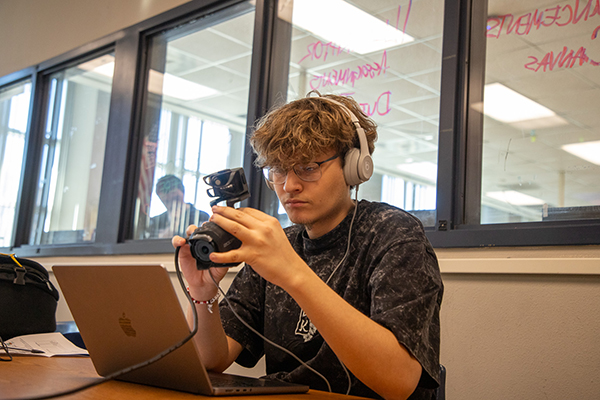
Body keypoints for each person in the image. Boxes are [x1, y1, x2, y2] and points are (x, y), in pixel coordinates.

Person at [172, 93, 443, 399]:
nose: (288, 186)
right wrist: (202, 294)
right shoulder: (280, 244)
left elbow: (399, 381)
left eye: (308, 167)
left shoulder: (393, 233)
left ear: (354, 166)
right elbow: (212, 360)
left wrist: (293, 274)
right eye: (277, 169)